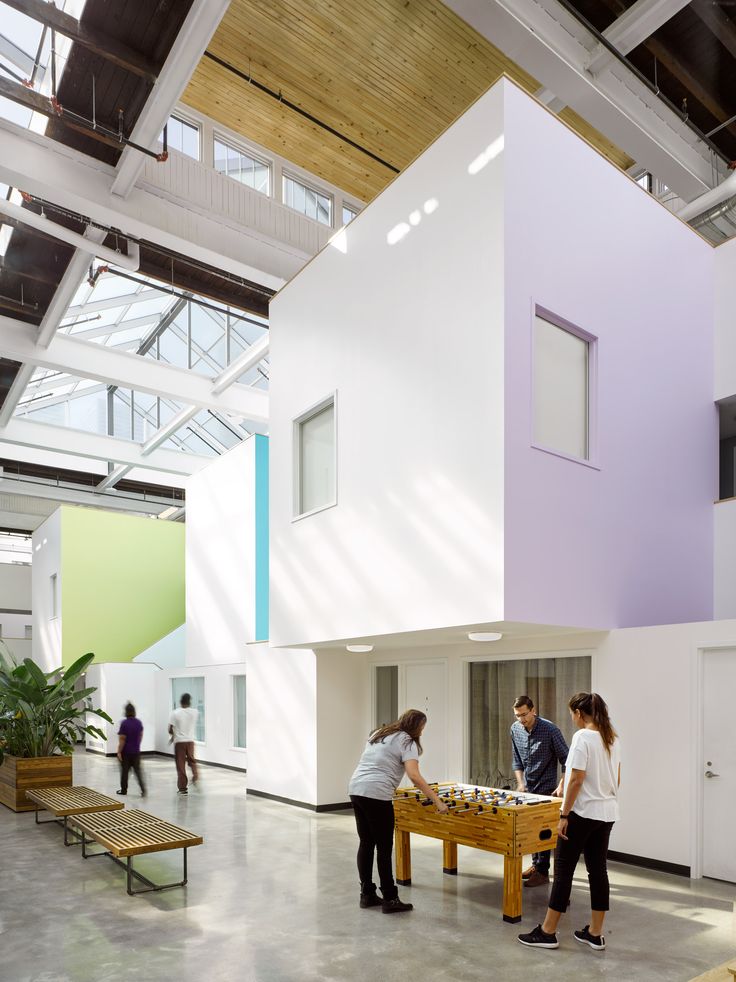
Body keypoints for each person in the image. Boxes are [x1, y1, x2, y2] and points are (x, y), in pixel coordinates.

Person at [518, 691, 621, 953]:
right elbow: (615, 780)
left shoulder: (582, 737)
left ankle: (547, 932)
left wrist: (564, 815)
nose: (572, 719)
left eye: (572, 714)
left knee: (562, 872)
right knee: (598, 872)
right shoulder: (611, 738)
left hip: (582, 814)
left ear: (578, 713)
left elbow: (576, 779)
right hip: (607, 813)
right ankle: (595, 933)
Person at [348, 709, 449, 913]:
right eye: (422, 727)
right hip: (377, 793)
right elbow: (414, 776)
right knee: (384, 848)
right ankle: (390, 899)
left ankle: (367, 894)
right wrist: (437, 801)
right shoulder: (407, 741)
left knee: (366, 843)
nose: (422, 731)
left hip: (356, 789)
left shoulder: (379, 734)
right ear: (417, 726)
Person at [510, 694, 569, 888]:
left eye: (524, 714)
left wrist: (561, 786)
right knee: (529, 829)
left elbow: (566, 761)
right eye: (518, 715)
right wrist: (520, 783)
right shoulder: (515, 729)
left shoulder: (550, 730)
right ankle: (536, 866)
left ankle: (543, 872)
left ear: (533, 710)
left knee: (542, 831)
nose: (522, 719)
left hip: (546, 789)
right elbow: (517, 761)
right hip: (526, 789)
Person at [168, 692, 199, 795]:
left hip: (180, 742)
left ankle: (182, 789)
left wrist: (173, 735)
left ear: (180, 702)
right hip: (190, 741)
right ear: (189, 702)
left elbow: (170, 729)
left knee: (181, 765)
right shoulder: (195, 712)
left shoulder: (175, 713)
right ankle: (195, 775)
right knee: (192, 760)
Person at [116, 702, 146, 797]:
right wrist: (137, 745)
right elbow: (140, 735)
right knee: (138, 772)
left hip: (126, 752)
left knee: (125, 772)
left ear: (126, 712)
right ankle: (143, 790)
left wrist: (119, 751)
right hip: (136, 752)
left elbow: (122, 739)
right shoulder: (138, 722)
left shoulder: (124, 723)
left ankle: (124, 790)